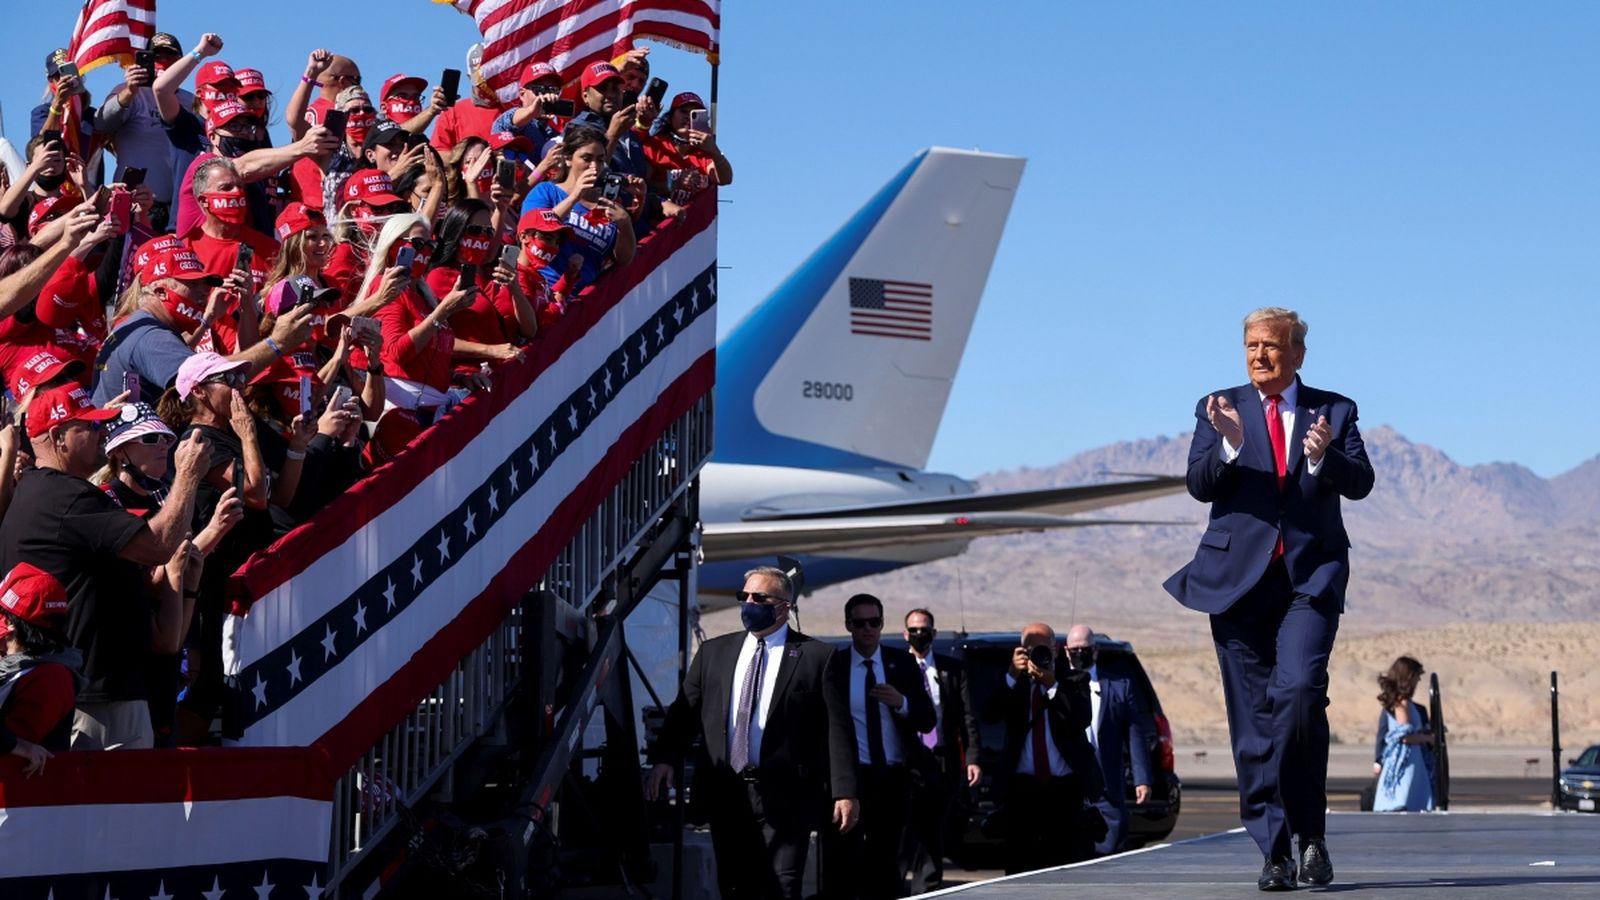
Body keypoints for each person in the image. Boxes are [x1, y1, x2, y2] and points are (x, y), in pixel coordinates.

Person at [1162, 306, 1374, 890]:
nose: (1260, 355)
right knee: (1253, 725)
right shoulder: (1218, 406)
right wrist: (1228, 444)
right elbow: (1200, 484)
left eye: (1272, 346)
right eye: (1252, 345)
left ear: (1297, 354)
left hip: (1309, 579)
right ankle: (1275, 850)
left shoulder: (1335, 409)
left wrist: (1321, 456)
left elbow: (1361, 482)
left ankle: (1312, 835)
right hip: (1236, 584)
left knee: (1301, 694)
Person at [0, 382, 210, 750]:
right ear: (58, 437)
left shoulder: (44, 491)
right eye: (91, 426)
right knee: (119, 804)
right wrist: (188, 476)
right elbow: (159, 545)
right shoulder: (64, 496)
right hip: (97, 699)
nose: (103, 433)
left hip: (90, 689)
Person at [645, 566, 859, 900]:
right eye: (743, 596)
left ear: (784, 606)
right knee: (734, 885)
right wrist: (666, 759)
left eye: (759, 598)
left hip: (787, 796)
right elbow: (684, 713)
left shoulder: (817, 657)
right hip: (727, 792)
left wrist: (845, 790)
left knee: (782, 887)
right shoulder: (714, 653)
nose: (749, 603)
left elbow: (837, 728)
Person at [822, 593, 934, 899]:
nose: (868, 629)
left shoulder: (902, 663)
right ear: (849, 626)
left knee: (886, 864)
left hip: (893, 777)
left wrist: (902, 703)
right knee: (844, 863)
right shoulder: (836, 666)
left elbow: (927, 719)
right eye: (860, 623)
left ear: (882, 624)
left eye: (874, 622)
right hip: (852, 779)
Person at [984, 621, 1100, 874]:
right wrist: (1012, 674)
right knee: (1020, 867)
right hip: (1022, 791)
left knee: (1065, 866)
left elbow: (1080, 719)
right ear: (1020, 651)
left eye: (1043, 650)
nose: (1038, 657)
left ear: (1056, 650)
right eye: (1030, 650)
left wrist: (1051, 685)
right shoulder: (1013, 684)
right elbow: (989, 714)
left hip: (1064, 791)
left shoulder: (1074, 679)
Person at [899, 608, 981, 892]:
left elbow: (967, 717)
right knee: (902, 833)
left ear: (934, 633)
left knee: (933, 833)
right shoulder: (896, 667)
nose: (920, 635)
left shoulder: (952, 669)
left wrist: (972, 759)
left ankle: (928, 890)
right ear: (904, 634)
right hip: (906, 763)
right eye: (914, 629)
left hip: (941, 762)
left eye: (925, 630)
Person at [1064, 624, 1153, 856]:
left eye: (1085, 648)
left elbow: (1134, 734)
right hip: (1067, 786)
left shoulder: (1119, 688)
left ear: (1095, 650)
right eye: (1075, 649)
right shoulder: (1056, 687)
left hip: (1107, 788)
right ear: (1066, 651)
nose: (1080, 653)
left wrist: (1142, 779)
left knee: (1111, 851)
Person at [520, 128, 635, 292]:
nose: (594, 166)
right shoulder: (546, 191)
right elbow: (532, 232)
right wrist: (574, 196)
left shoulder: (608, 204)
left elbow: (624, 259)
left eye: (600, 160)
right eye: (586, 158)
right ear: (567, 159)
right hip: (540, 291)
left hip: (582, 302)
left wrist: (625, 223)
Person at [0, 562, 83, 775]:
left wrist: (14, 745)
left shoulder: (50, 678)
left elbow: (11, 755)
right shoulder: (19, 664)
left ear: (10, 623)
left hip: (20, 801)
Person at [1372, 656, 1434, 813]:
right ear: (1409, 677)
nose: (1418, 682)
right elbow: (1404, 736)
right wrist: (1427, 738)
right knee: (1404, 801)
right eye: (1417, 677)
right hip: (1408, 761)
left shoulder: (1403, 702)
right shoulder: (1402, 702)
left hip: (1412, 759)